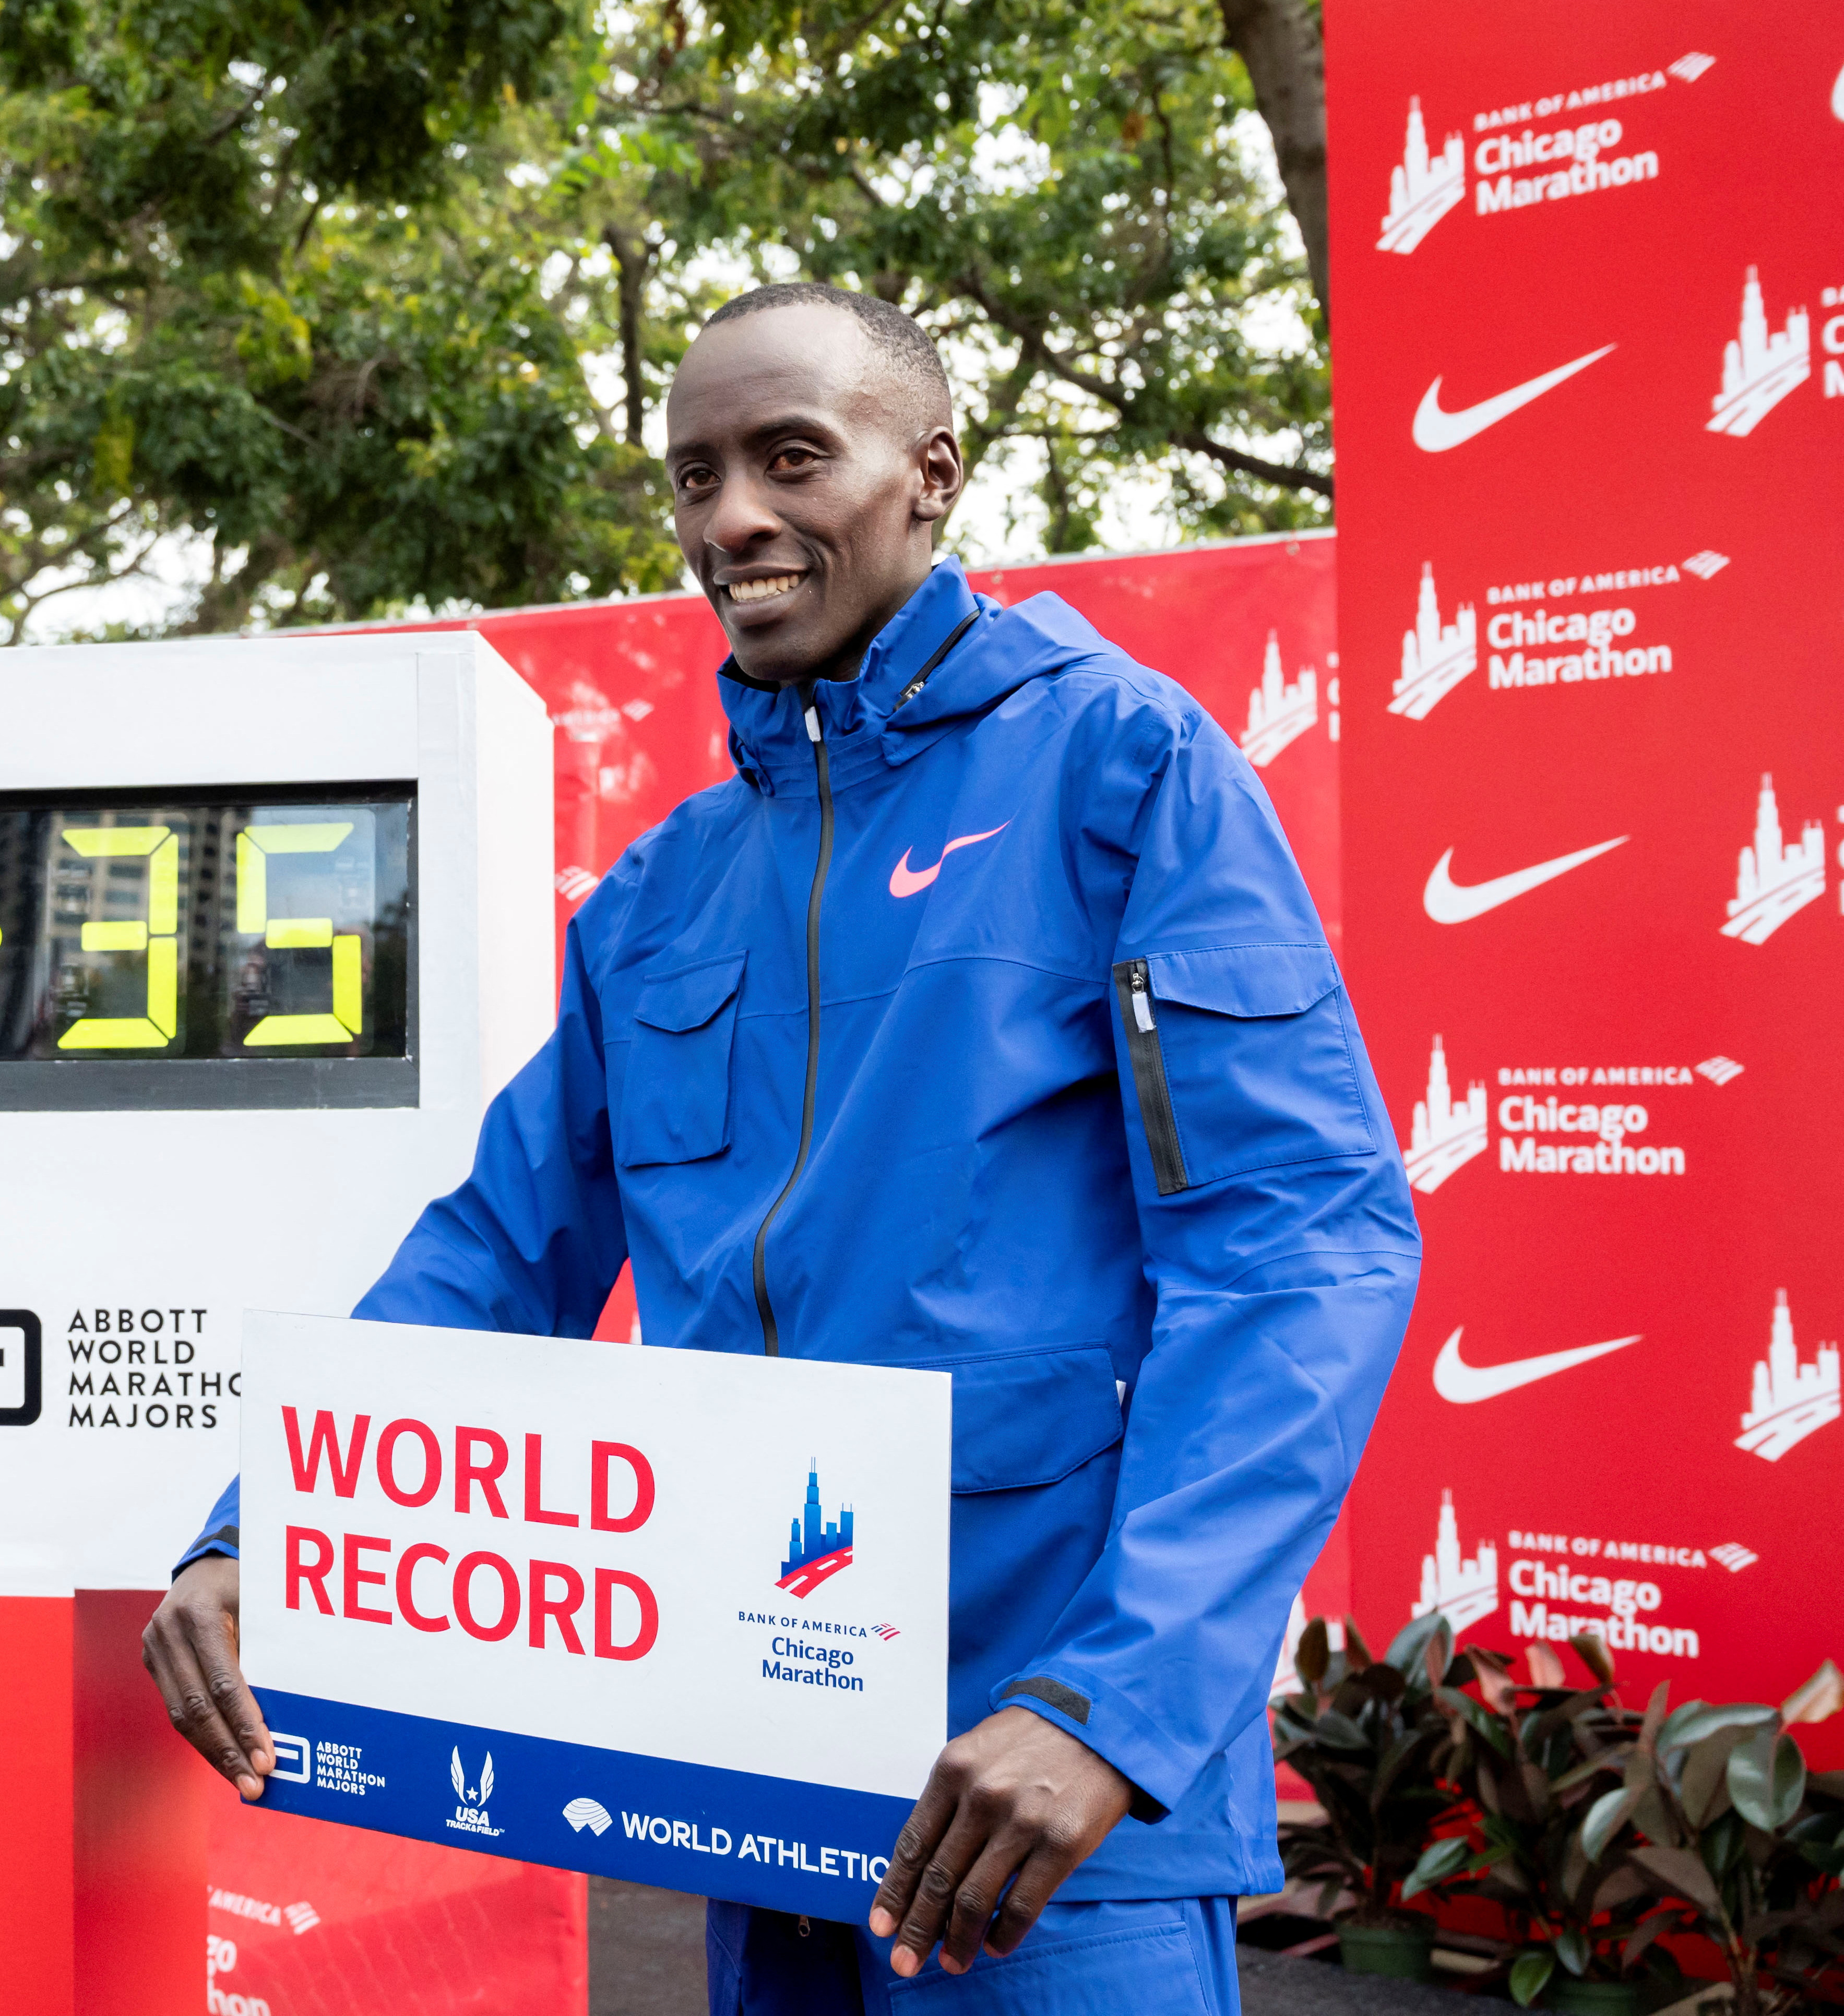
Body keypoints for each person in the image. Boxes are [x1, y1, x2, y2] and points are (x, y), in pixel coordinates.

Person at [141, 281, 1418, 2013]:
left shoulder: (1126, 770)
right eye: (693, 475)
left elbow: (1297, 1250)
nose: (730, 516)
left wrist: (1110, 1707)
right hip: (752, 1773)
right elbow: (499, 1255)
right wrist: (258, 1531)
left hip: (1040, 1795)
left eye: (790, 457)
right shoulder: (665, 889)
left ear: (933, 474)